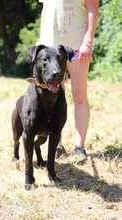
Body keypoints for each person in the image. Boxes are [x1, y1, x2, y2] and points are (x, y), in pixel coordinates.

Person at [38, 0, 99, 164]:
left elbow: (93, 9)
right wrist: (41, 41)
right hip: (51, 47)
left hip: (78, 45)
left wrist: (88, 41)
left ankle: (79, 147)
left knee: (79, 96)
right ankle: (57, 144)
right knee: (53, 97)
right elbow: (46, 12)